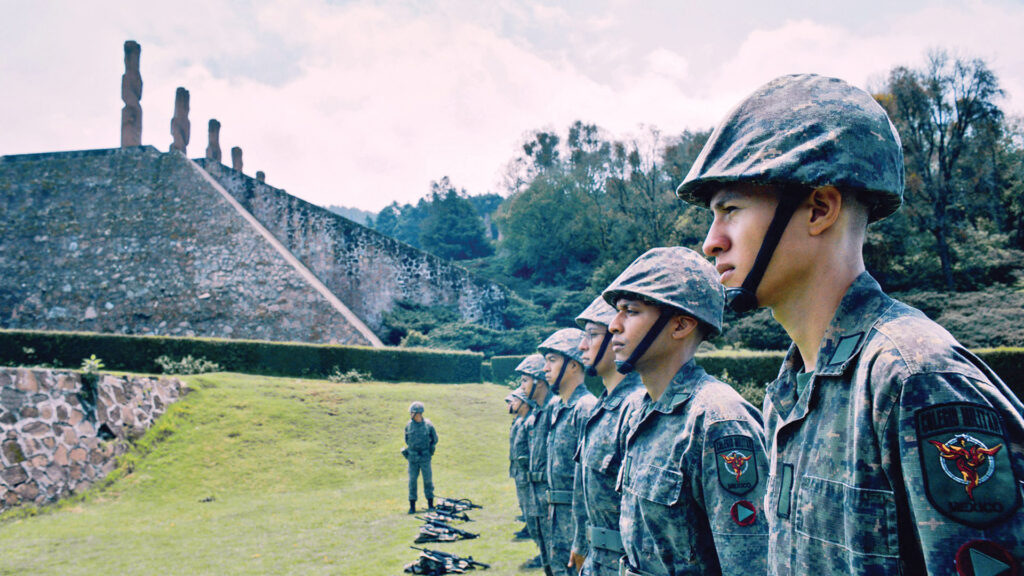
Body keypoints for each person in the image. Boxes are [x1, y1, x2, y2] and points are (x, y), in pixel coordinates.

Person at [678, 73, 1024, 575]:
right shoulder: (794, 386)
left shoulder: (916, 379)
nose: (712, 242)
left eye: (730, 210)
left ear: (819, 209)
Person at [603, 246, 769, 576]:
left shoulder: (718, 420)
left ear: (680, 326)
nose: (613, 326)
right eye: (617, 311)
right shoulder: (640, 411)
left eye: (630, 311)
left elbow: (751, 562)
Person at [570, 296, 645, 576]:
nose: (582, 346)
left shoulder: (636, 407)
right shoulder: (601, 407)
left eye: (592, 335)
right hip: (599, 559)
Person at [539, 328, 597, 576]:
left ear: (574, 365)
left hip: (576, 520)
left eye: (552, 360)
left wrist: (582, 540)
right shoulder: (557, 407)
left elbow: (589, 483)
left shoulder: (586, 409)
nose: (545, 369)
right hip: (556, 515)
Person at [519, 353, 557, 575]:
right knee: (547, 559)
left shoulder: (554, 407)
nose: (521, 386)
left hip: (551, 497)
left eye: (525, 380)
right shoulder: (538, 412)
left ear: (538, 381)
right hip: (537, 494)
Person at [507, 385, 534, 540]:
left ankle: (530, 528)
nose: (512, 403)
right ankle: (528, 526)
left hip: (525, 470)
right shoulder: (520, 421)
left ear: (524, 402)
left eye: (516, 400)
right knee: (524, 500)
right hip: (519, 468)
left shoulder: (528, 421)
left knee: (529, 501)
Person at [404, 400, 437, 514]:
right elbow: (406, 439)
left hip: (425, 457)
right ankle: (412, 506)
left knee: (427, 480)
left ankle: (430, 504)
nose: (411, 414)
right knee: (412, 481)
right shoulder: (408, 425)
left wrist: (429, 450)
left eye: (412, 412)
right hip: (412, 458)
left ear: (418, 413)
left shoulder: (428, 424)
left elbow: (435, 439)